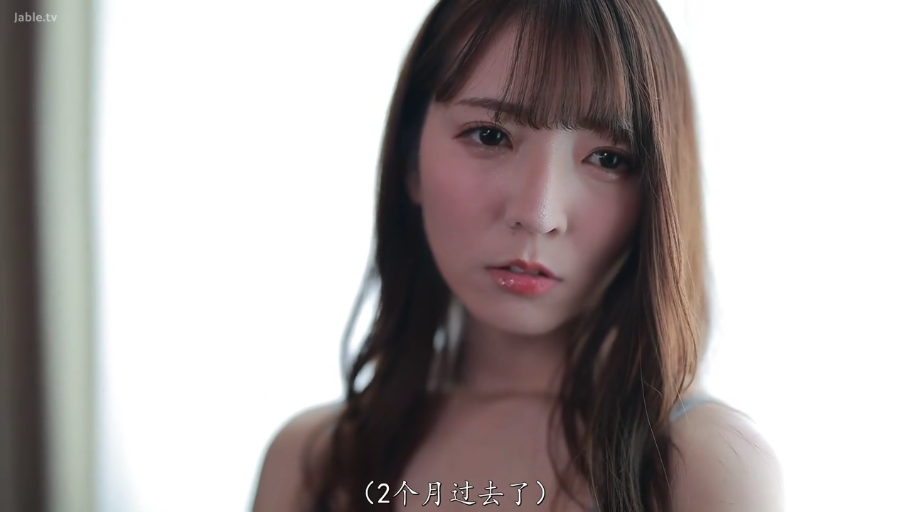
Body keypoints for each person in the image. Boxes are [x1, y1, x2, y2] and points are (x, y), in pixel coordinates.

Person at [253, 0, 784, 511]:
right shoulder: (313, 463)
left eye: (608, 158)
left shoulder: (703, 465)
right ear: (410, 160)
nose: (538, 214)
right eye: (490, 135)